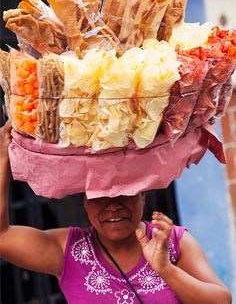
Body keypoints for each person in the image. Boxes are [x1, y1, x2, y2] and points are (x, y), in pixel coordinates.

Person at [0, 121, 232, 304]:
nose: (112, 205)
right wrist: (2, 158)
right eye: (99, 197)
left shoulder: (173, 242)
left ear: (143, 195)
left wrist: (165, 269)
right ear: (85, 202)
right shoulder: (68, 250)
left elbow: (221, 301)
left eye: (124, 192)